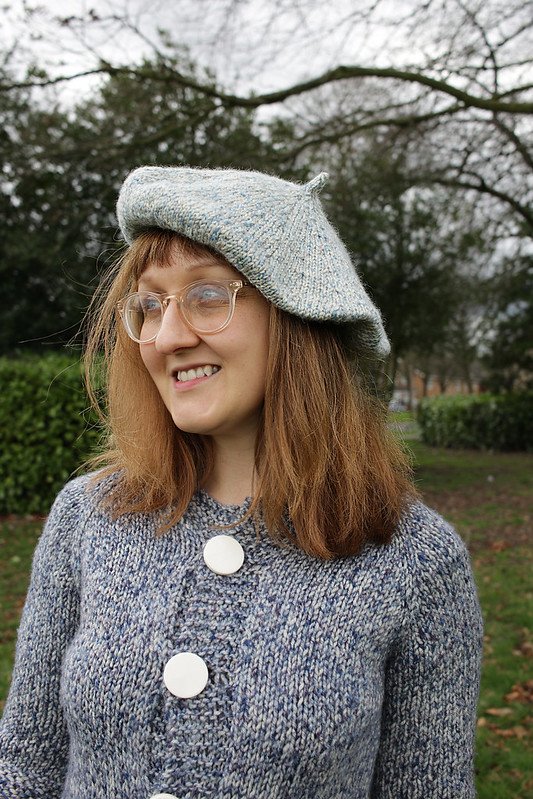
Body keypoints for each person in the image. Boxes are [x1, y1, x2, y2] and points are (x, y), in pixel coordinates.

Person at [0, 167, 483, 799]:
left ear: (300, 315)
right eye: (149, 304)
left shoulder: (415, 561)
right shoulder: (86, 518)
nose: (166, 336)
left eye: (206, 296)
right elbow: (24, 768)